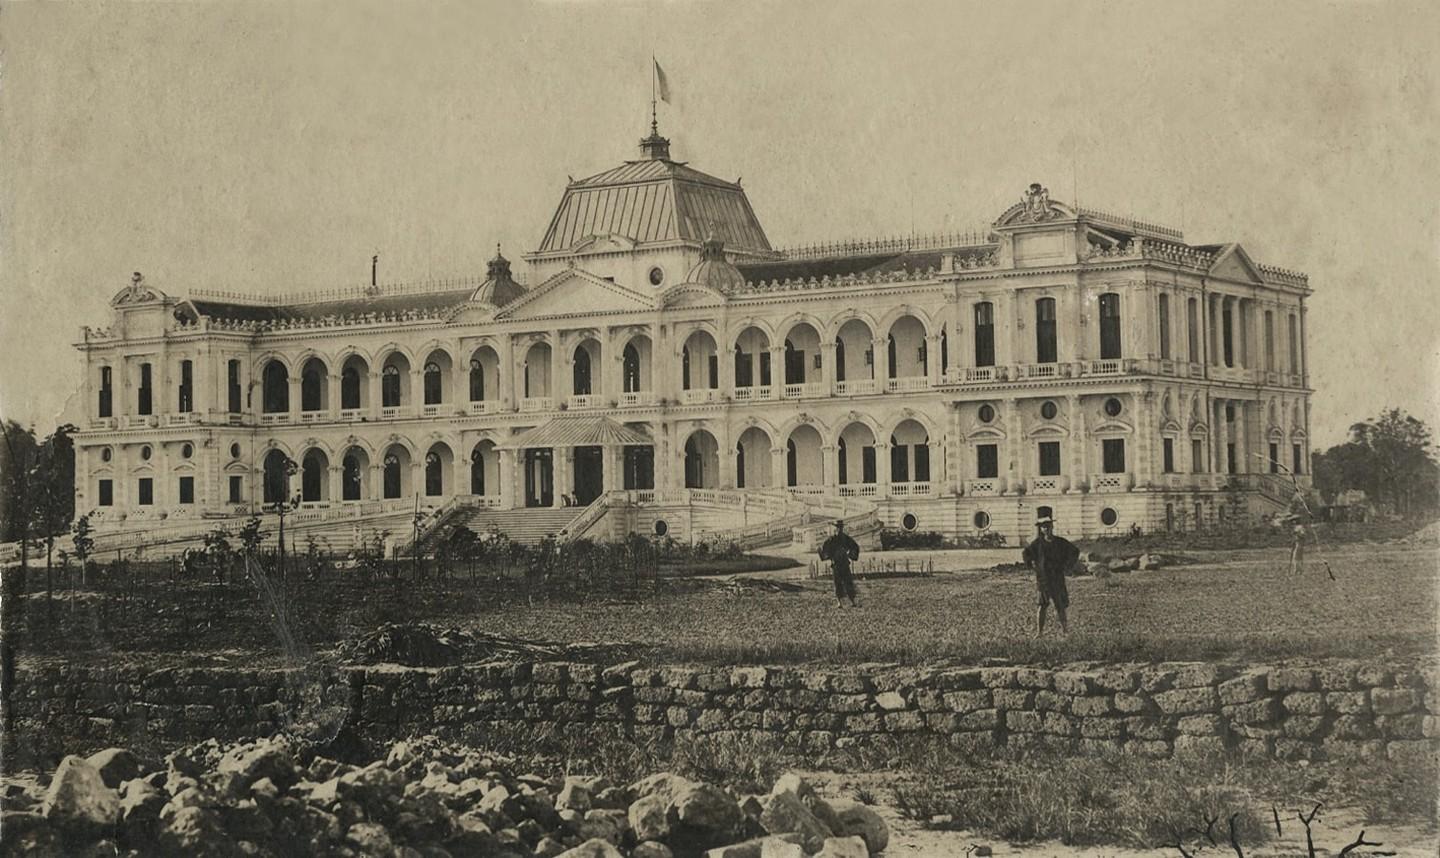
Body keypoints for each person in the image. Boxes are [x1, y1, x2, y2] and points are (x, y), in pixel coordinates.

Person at [1022, 515, 1079, 635]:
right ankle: (1039, 633)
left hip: (1057, 579)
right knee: (1042, 606)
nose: (1046, 529)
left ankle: (1065, 631)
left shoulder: (1060, 542)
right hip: (1043, 580)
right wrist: (1032, 565)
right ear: (1041, 529)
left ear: (1052, 527)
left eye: (1048, 526)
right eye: (1043, 527)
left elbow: (1074, 551)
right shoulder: (1037, 543)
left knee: (1060, 606)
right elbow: (1026, 554)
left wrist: (1068, 566)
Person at [818, 519, 861, 607]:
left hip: (844, 563)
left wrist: (850, 554)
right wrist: (822, 554)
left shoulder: (846, 538)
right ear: (835, 529)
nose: (839, 529)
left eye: (841, 527)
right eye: (838, 527)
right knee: (837, 583)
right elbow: (824, 549)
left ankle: (853, 601)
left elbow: (855, 547)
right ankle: (839, 602)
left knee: (848, 582)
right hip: (836, 564)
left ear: (842, 528)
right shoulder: (831, 539)